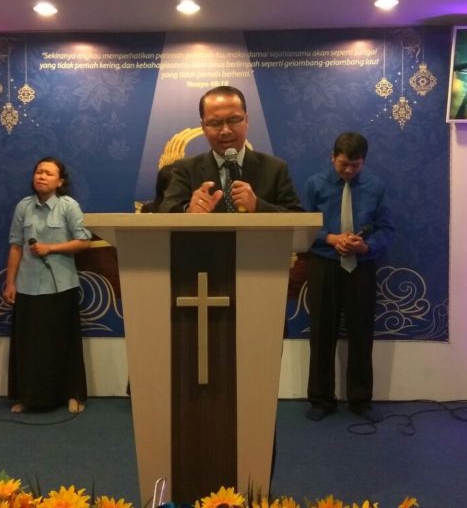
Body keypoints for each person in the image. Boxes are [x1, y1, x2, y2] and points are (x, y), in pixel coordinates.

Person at [301, 132, 394, 423]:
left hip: (361, 267)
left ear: (363, 161)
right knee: (321, 334)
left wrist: (367, 246)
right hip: (325, 265)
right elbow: (303, 227)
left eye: (356, 165)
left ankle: (361, 400)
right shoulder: (315, 184)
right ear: (333, 158)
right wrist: (331, 238)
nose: (350, 170)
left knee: (361, 334)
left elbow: (386, 229)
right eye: (344, 164)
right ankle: (321, 399)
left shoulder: (376, 187)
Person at [3, 157, 93, 414]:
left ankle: (72, 396)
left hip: (60, 287)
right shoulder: (23, 207)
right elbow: (15, 246)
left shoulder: (68, 206)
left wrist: (51, 248)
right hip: (28, 286)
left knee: (63, 344)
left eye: (49, 173)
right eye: (39, 172)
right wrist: (10, 283)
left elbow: (84, 241)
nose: (42, 176)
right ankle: (29, 397)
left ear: (60, 181)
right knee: (29, 346)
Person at [157, 85, 303, 213]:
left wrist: (258, 206)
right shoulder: (186, 169)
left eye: (233, 120)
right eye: (215, 123)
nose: (225, 131)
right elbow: (165, 210)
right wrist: (188, 210)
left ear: (246, 120)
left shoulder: (275, 168)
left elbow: (296, 216)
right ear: (203, 127)